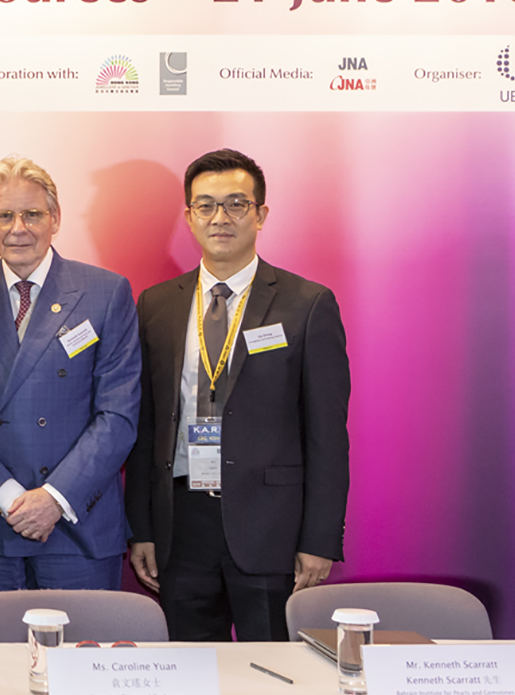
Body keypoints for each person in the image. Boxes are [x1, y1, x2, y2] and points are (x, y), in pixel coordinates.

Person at [126, 148, 350, 641]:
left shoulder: (307, 304)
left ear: (261, 214)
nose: (219, 218)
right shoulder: (157, 305)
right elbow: (146, 427)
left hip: (271, 528)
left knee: (271, 676)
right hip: (180, 526)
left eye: (235, 204)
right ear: (188, 217)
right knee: (191, 677)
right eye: (205, 206)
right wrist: (140, 527)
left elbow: (327, 435)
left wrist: (319, 539)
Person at [0, 157, 141, 593]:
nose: (18, 228)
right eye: (4, 215)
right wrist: (10, 497)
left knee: (81, 658)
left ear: (55, 218)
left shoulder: (106, 292)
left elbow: (118, 415)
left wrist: (54, 499)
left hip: (76, 522)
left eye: (32, 214)